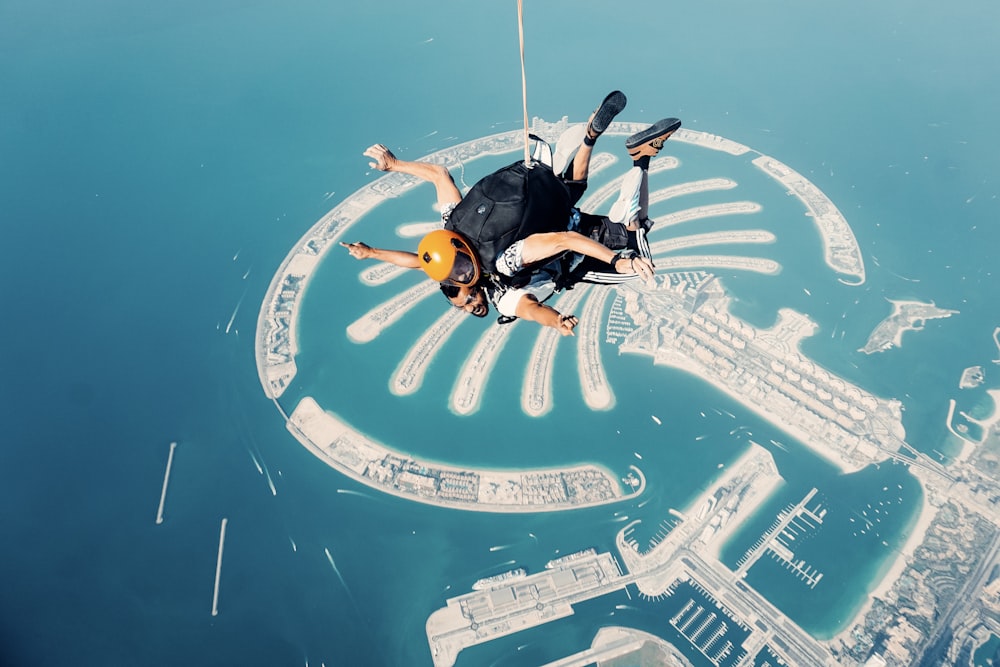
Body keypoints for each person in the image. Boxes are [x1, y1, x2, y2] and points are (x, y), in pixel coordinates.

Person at [342, 92, 680, 336]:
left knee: (638, 243)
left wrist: (612, 266)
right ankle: (591, 138)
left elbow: (532, 304)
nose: (470, 305)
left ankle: (641, 158)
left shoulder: (502, 270)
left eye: (465, 299)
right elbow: (437, 184)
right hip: (549, 209)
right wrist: (395, 168)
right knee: (572, 188)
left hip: (573, 250)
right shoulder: (453, 226)